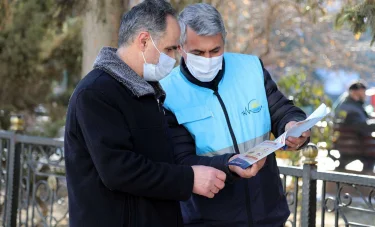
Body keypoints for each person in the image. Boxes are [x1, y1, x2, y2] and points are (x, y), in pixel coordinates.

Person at [64, 1, 226, 227]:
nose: (175, 56)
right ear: (143, 41)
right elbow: (119, 170)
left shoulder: (146, 89)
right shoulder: (96, 93)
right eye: (170, 48)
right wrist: (188, 179)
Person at [160, 3, 311, 226]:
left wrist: (293, 125)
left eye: (215, 50)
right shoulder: (166, 91)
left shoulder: (251, 68)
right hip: (209, 217)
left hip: (269, 212)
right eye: (198, 53)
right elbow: (181, 160)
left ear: (224, 41)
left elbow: (280, 109)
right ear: (180, 47)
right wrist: (228, 165)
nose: (208, 58)